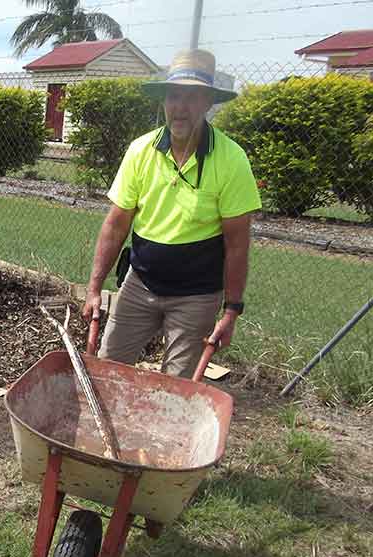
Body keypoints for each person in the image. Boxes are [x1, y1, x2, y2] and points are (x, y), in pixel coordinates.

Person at [82, 49, 262, 378]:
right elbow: (115, 225)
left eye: (192, 97)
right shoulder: (141, 151)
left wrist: (232, 309)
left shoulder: (231, 160)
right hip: (140, 284)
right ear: (164, 101)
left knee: (176, 387)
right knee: (108, 370)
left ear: (208, 102)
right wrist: (94, 290)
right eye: (174, 96)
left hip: (197, 295)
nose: (180, 107)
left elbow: (237, 243)